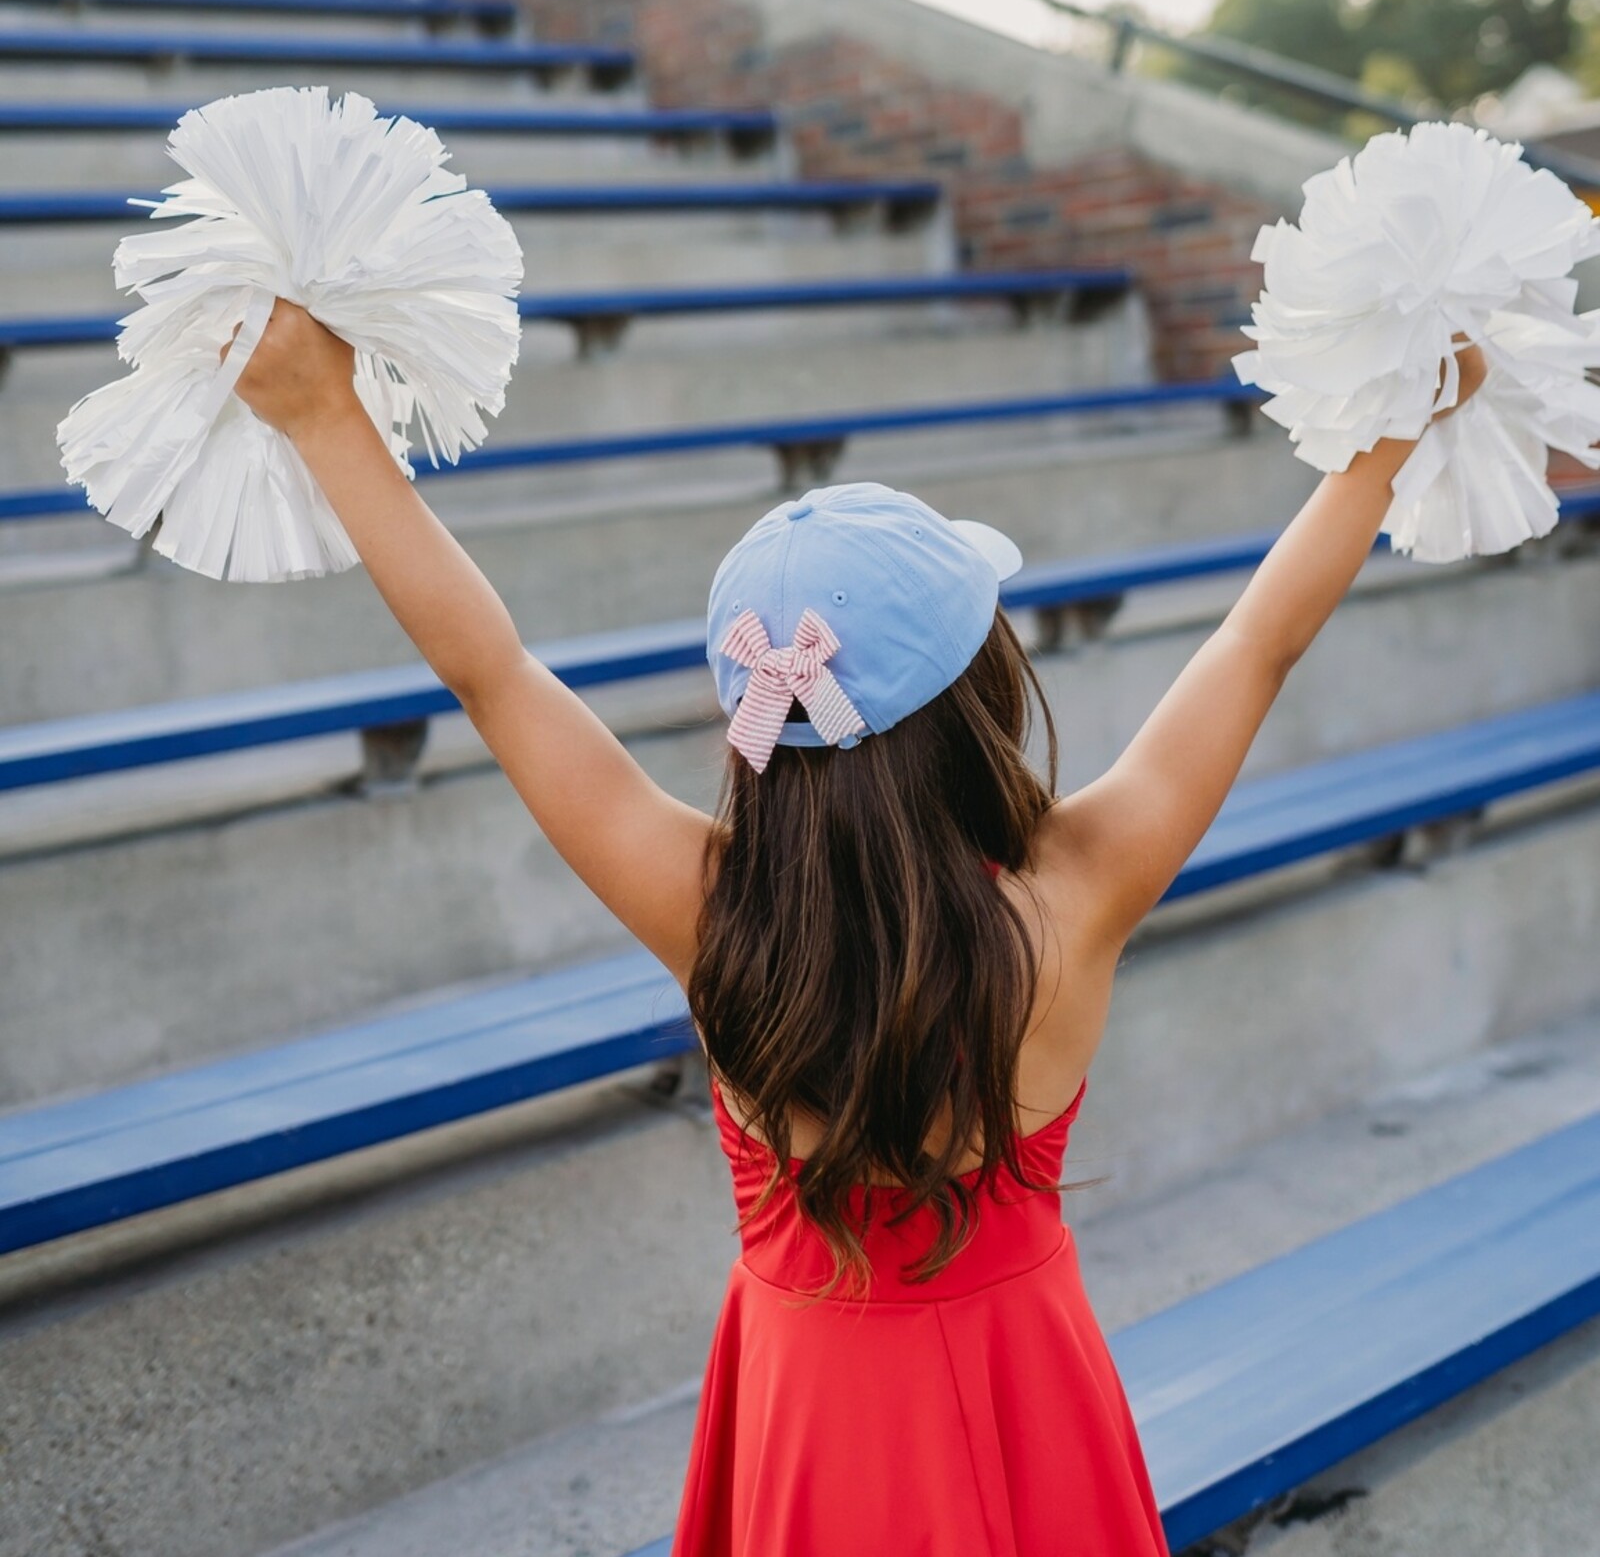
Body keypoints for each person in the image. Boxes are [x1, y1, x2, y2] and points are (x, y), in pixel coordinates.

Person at [225, 302, 1485, 1557]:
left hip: (807, 1401)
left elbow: (489, 673)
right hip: (1020, 1381)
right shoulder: (1076, 891)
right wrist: (1389, 428)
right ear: (979, 691)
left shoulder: (712, 913)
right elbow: (1258, 643)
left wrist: (329, 416)